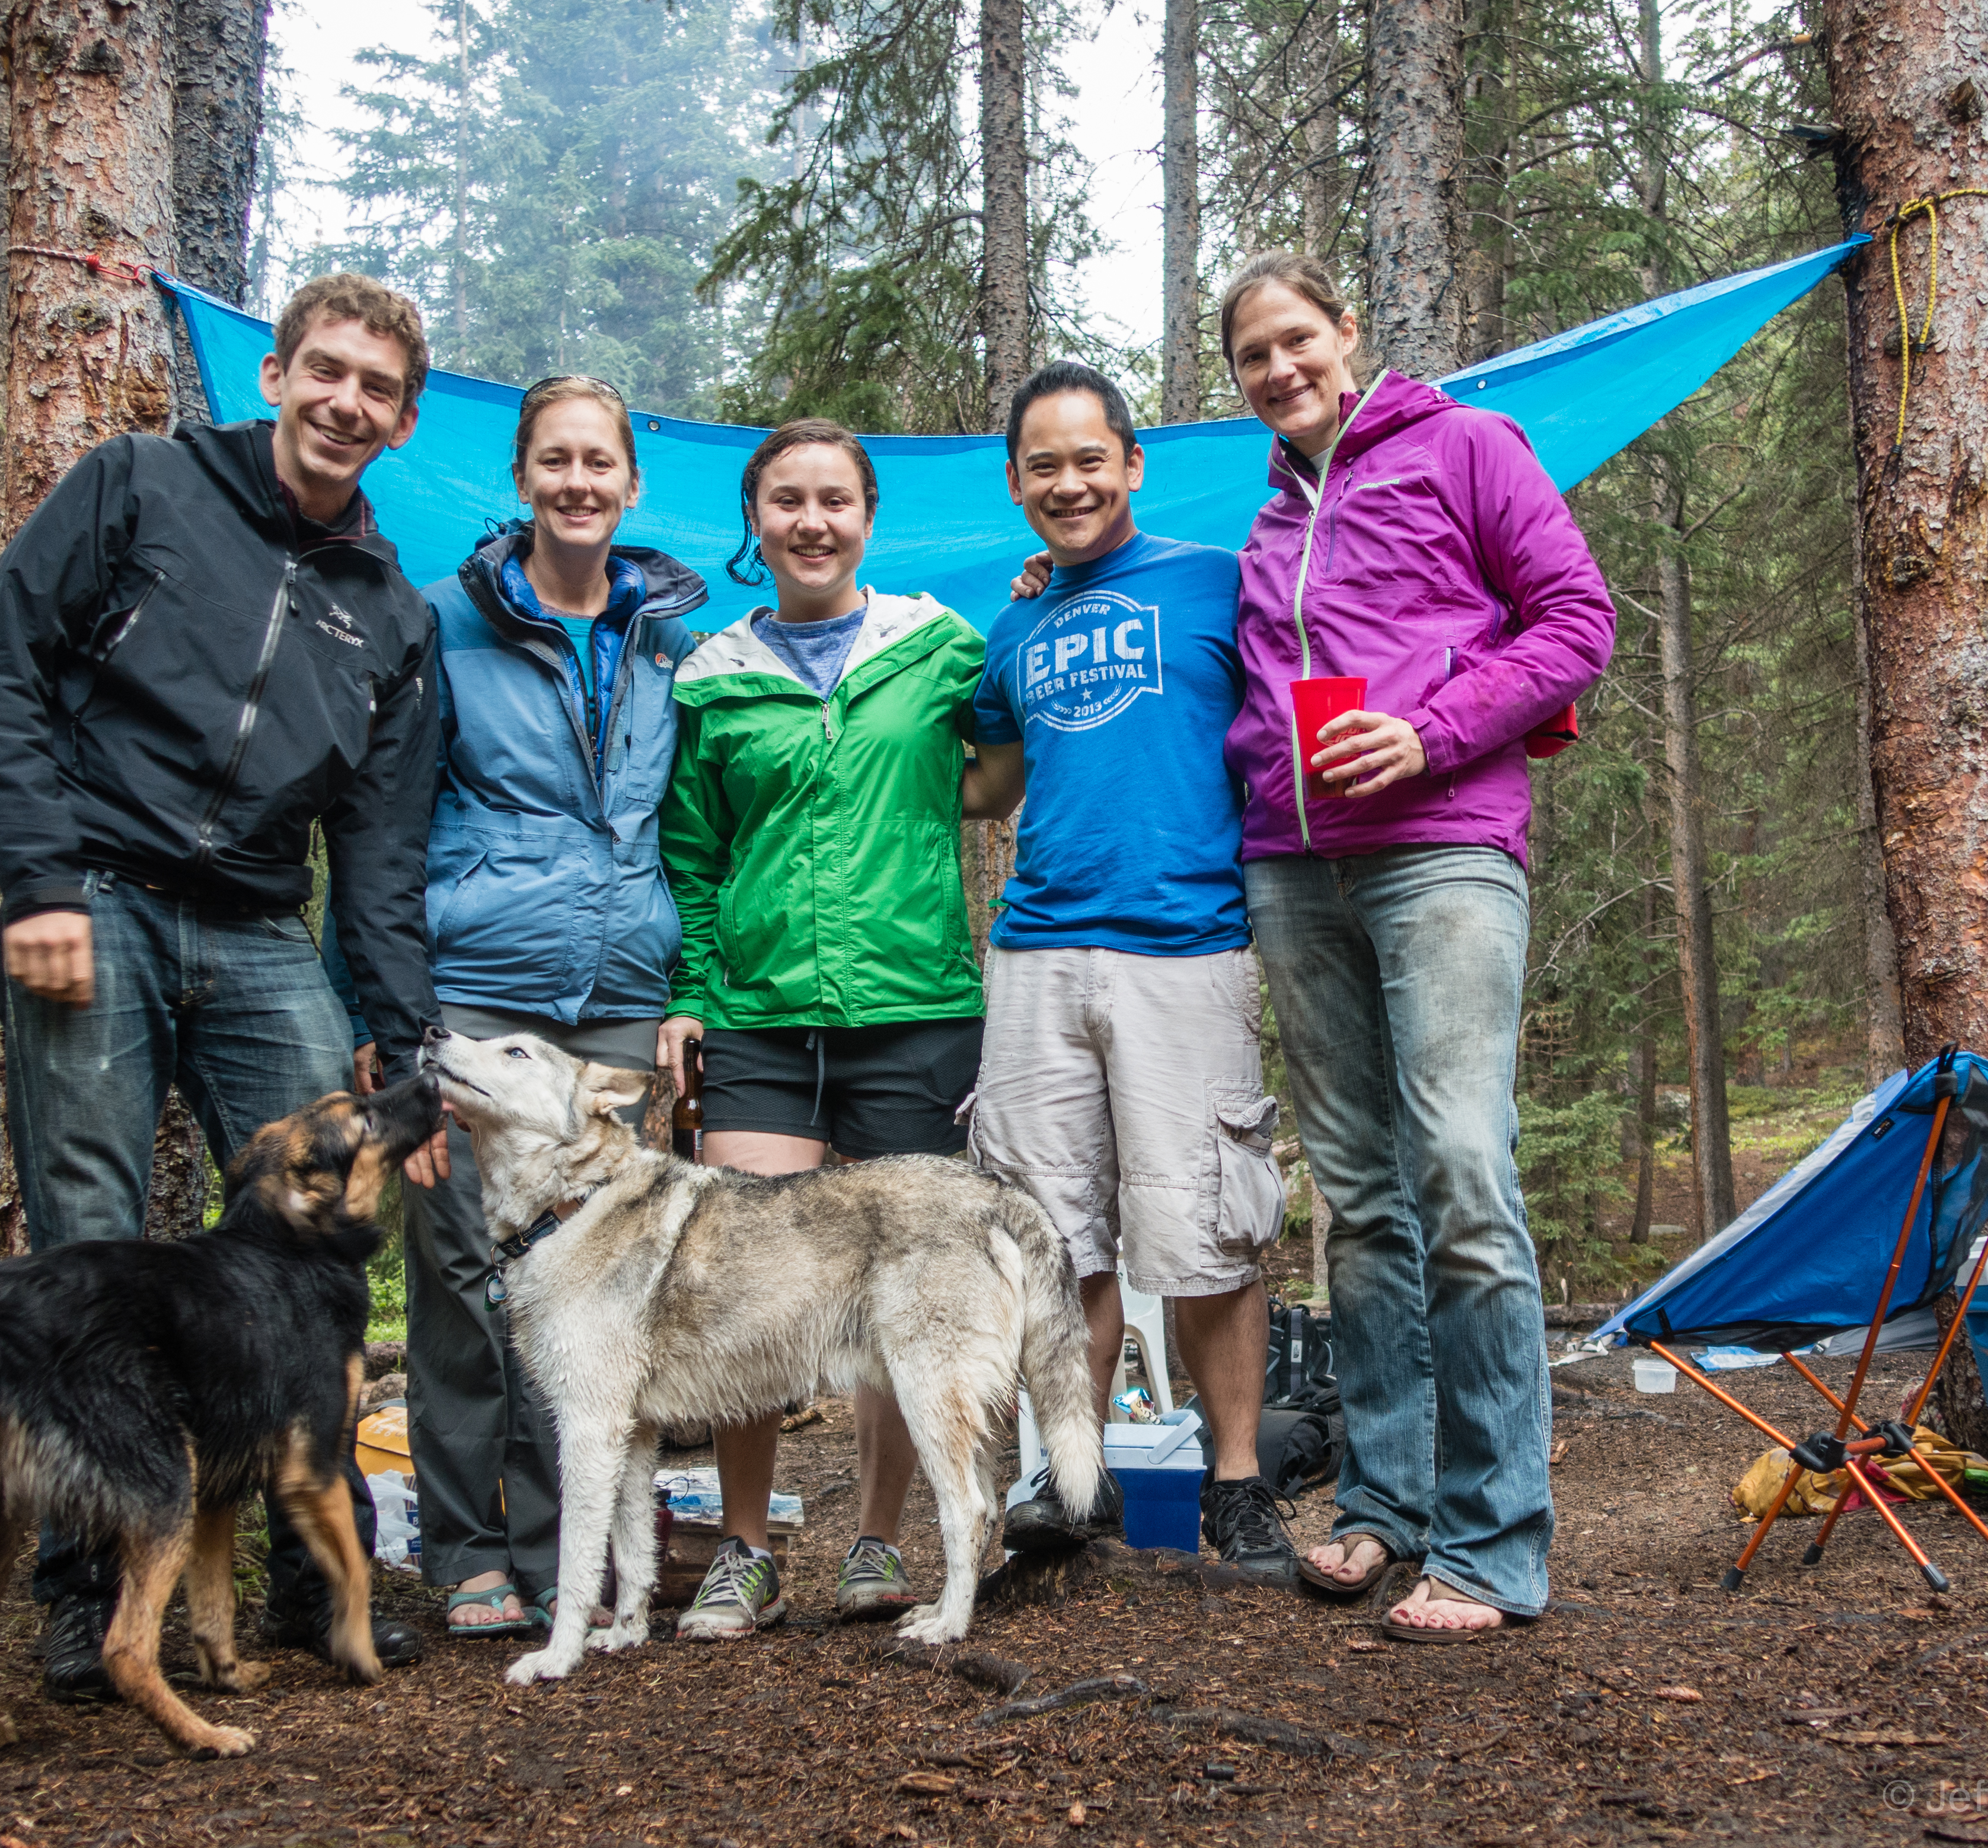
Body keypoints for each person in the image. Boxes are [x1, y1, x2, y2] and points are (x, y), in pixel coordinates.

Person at [0, 273, 441, 1694]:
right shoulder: (140, 486)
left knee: (313, 1272)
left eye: (378, 390)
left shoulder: (389, 615)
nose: (347, 402)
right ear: (277, 372)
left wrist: (394, 1034)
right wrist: (38, 879)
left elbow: (380, 846)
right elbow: (0, 671)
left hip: (258, 926)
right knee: (87, 1244)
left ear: (402, 424)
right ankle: (77, 1591)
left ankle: (307, 1579)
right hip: (93, 896)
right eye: (327, 371)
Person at [1215, 250, 1614, 1639]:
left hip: (1441, 848)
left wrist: (1433, 730)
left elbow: (1579, 621)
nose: (1278, 370)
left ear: (1346, 333)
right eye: (1251, 356)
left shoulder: (1462, 447)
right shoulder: (1268, 521)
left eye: (1294, 340)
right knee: (1358, 1196)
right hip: (1294, 869)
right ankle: (1386, 1504)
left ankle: (1496, 1539)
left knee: (1457, 1162)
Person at [324, 375, 706, 1637]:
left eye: (600, 461)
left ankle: (563, 1548)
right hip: (477, 993)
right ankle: (467, 1546)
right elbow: (381, 832)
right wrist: (391, 1008)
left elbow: (693, 830)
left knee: (590, 1290)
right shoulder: (444, 626)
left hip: (615, 1006)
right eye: (555, 460)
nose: (579, 481)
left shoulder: (668, 643)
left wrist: (677, 987)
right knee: (458, 1279)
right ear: (523, 477)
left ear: (631, 482)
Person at [655, 417, 990, 1636]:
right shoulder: (711, 671)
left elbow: (1004, 755)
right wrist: (690, 993)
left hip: (916, 1008)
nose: (811, 521)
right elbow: (690, 855)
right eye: (787, 500)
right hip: (755, 1015)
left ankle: (875, 1539)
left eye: (834, 500)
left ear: (867, 514)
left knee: (904, 1291)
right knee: (744, 1289)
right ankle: (746, 1545)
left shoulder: (938, 646)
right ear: (756, 517)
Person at [966, 362, 1299, 1583]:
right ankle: (1071, 1474)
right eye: (1043, 465)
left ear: (1131, 462)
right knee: (1053, 1243)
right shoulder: (1014, 625)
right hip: (1036, 952)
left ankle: (1237, 1481)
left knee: (1208, 1228)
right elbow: (990, 778)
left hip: (1185, 945)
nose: (1068, 481)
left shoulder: (1217, 583)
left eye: (1088, 457)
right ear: (1015, 483)